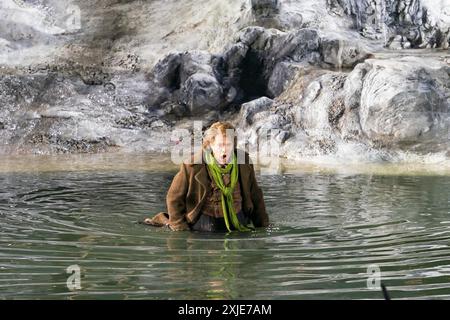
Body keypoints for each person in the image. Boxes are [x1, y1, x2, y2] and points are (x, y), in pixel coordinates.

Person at [143, 121, 269, 232]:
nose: (224, 150)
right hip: (204, 224)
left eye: (228, 145)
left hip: (237, 220)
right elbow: (174, 198)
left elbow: (255, 195)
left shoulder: (243, 161)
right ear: (211, 145)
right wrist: (179, 227)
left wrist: (263, 226)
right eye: (220, 145)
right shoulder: (193, 165)